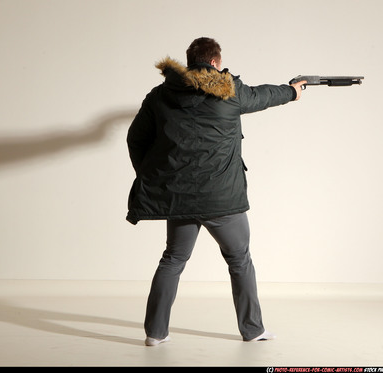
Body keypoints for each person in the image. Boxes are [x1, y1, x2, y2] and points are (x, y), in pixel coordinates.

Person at [126, 37, 306, 346]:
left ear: (188, 61)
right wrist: (292, 91)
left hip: (179, 197)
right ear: (214, 62)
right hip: (223, 199)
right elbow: (263, 96)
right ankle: (252, 330)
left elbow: (135, 138)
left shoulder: (159, 96)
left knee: (172, 259)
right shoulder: (230, 91)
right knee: (239, 260)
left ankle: (155, 334)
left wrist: (152, 175)